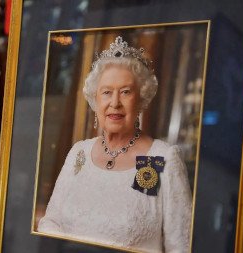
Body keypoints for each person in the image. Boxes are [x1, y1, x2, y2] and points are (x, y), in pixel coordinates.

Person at [37, 36, 192, 253]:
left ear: (141, 100)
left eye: (126, 92)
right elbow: (50, 223)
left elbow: (181, 247)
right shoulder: (79, 153)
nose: (115, 103)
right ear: (96, 100)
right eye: (107, 92)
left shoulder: (160, 159)